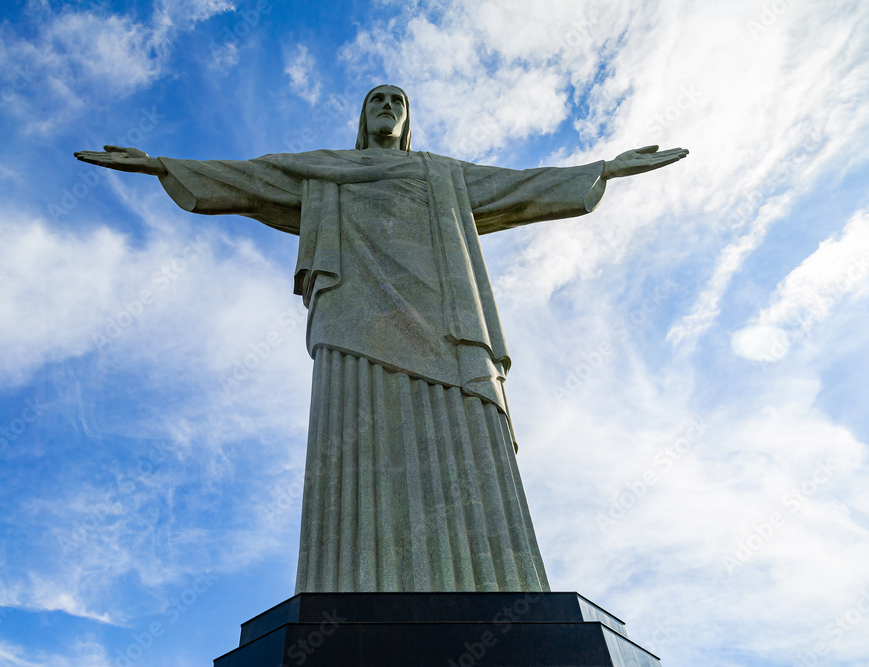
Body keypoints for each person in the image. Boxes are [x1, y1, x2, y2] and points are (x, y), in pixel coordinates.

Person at [75, 84, 688, 594]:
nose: (388, 106)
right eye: (377, 99)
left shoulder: (442, 174)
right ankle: (349, 581)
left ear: (408, 120)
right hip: (352, 317)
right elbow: (252, 177)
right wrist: (161, 165)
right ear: (363, 116)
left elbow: (520, 185)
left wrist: (603, 170)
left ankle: (492, 585)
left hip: (448, 324)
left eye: (398, 101)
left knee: (464, 437)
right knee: (355, 435)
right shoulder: (325, 170)